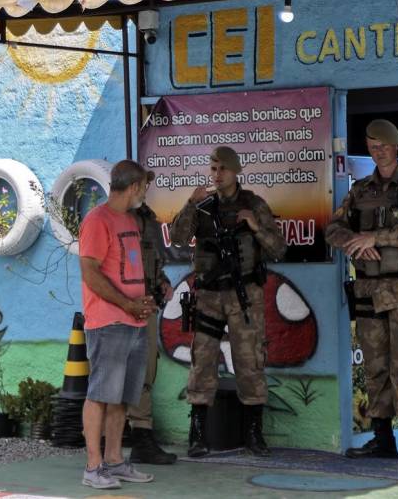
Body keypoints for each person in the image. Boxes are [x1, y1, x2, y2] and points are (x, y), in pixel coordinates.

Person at [326, 119, 398, 464]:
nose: (378, 150)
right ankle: (383, 439)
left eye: (384, 144)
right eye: (372, 144)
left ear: (396, 146)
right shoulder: (360, 191)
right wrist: (354, 244)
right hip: (368, 292)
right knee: (375, 368)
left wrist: (377, 237)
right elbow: (333, 228)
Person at [170, 146, 286, 457]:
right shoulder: (203, 206)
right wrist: (190, 205)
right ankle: (197, 433)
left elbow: (278, 249)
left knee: (249, 361)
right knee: (203, 360)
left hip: (245, 295)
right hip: (208, 295)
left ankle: (253, 432)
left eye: (222, 169)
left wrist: (255, 226)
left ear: (236, 171)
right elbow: (179, 238)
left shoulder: (254, 205)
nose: (216, 174)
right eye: (213, 168)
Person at [78, 159, 157, 490]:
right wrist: (126, 303)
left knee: (123, 395)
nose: (146, 191)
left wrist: (143, 300)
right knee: (100, 393)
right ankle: (93, 467)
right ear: (135, 186)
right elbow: (91, 272)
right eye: (145, 186)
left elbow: (130, 269)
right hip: (108, 321)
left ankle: (114, 460)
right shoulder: (98, 220)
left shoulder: (129, 219)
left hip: (133, 319)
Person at [125, 183, 178, 465]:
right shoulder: (111, 217)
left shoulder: (147, 219)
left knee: (145, 370)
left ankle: (141, 437)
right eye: (141, 184)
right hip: (119, 306)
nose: (145, 189)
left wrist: (162, 283)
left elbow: (154, 261)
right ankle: (107, 447)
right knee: (118, 373)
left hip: (145, 304)